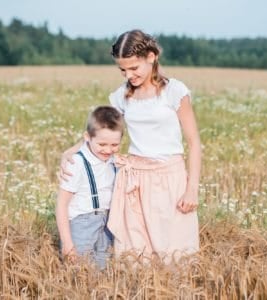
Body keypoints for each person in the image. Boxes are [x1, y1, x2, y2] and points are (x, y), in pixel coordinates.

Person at [60, 29, 201, 264]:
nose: (128, 75)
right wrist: (71, 150)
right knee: (137, 256)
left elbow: (194, 142)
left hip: (170, 179)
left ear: (151, 57)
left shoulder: (174, 92)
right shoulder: (121, 96)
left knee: (175, 255)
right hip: (134, 181)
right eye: (123, 70)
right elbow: (102, 129)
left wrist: (192, 188)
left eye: (134, 68)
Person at [56, 105, 125, 270]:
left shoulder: (114, 160)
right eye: (102, 144)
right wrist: (67, 243)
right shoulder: (76, 163)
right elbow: (61, 205)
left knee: (103, 272)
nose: (108, 150)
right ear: (87, 137)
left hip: (106, 224)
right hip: (81, 225)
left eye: (114, 145)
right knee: (80, 272)